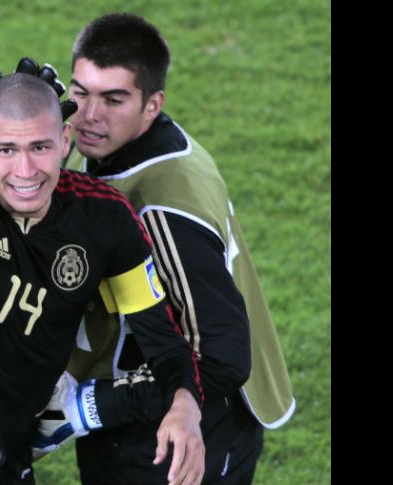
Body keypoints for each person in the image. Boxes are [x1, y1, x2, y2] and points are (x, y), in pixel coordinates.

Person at [0, 73, 205, 485]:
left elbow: (162, 339)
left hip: (14, 436)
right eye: (7, 149)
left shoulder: (104, 218)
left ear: (65, 140)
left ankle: (71, 410)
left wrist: (185, 405)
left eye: (40, 147)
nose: (25, 171)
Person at [41, 13, 295, 485]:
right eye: (80, 92)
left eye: (114, 99)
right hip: (138, 401)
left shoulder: (162, 213)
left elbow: (220, 357)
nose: (90, 114)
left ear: (152, 104)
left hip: (189, 425)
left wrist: (86, 407)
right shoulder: (105, 144)